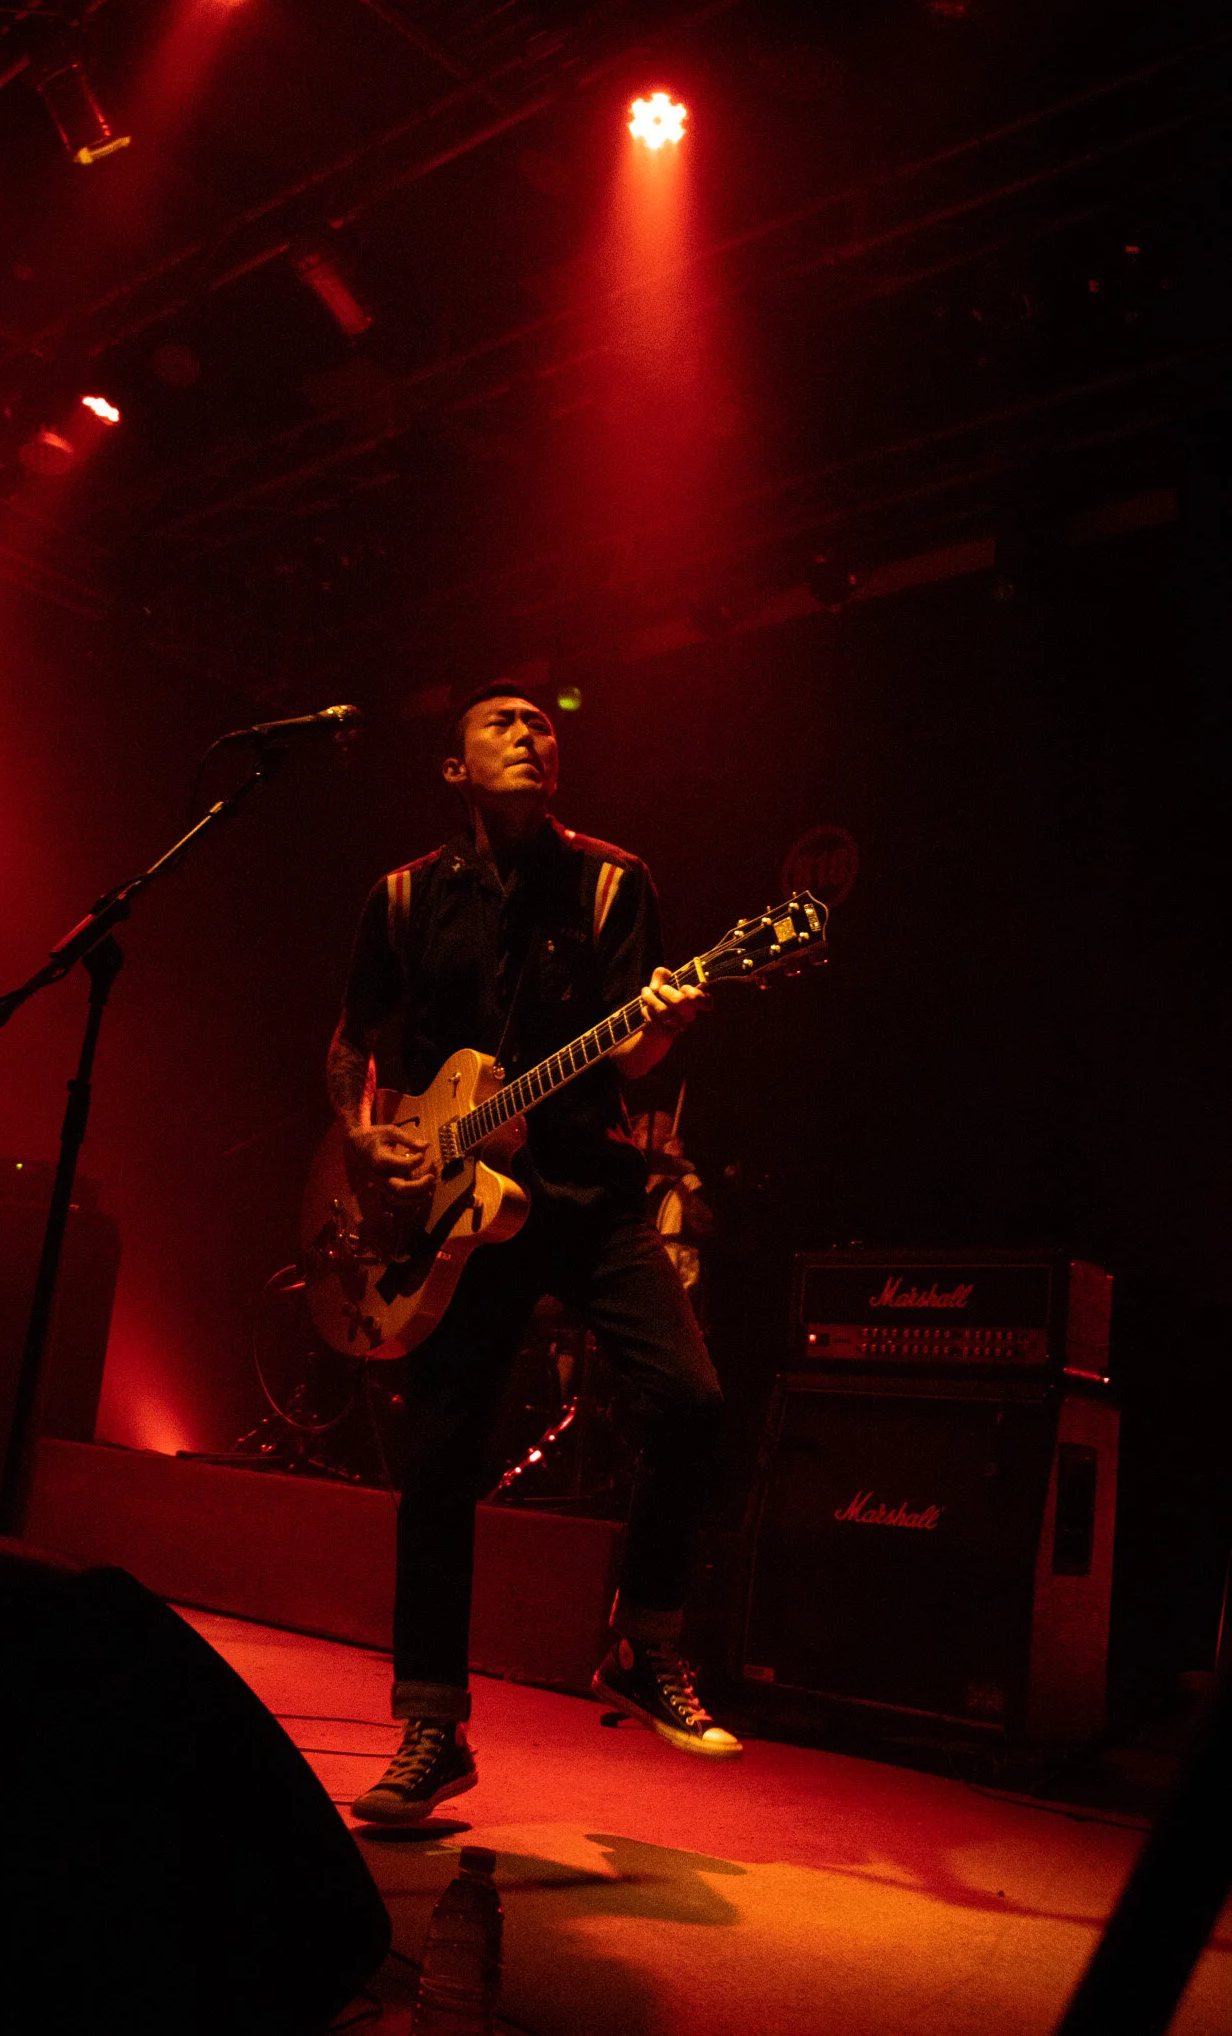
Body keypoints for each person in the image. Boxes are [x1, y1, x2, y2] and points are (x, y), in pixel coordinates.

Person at [329, 682, 739, 1827]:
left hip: (588, 1191)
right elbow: (353, 1042)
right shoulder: (403, 896)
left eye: (543, 725)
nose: (529, 734)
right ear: (452, 765)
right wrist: (361, 1135)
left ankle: (643, 1643)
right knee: (439, 1459)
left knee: (693, 1402)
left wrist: (662, 1020)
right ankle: (430, 1727)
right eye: (502, 723)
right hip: (456, 1206)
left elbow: (636, 1058)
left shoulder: (613, 881)